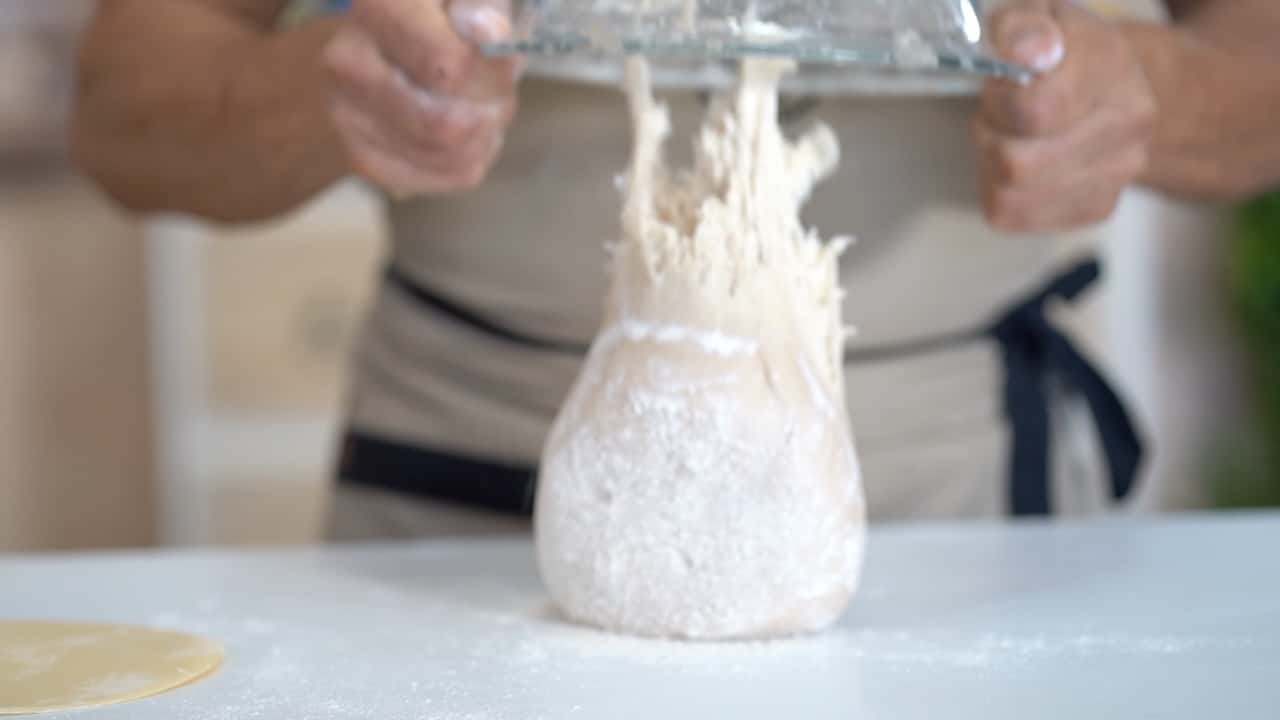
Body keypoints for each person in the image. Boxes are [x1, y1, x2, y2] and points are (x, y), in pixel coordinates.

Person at [73, 0, 1280, 538]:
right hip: (459, 499)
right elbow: (124, 98)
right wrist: (327, 91)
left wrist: (1148, 95)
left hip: (965, 515)